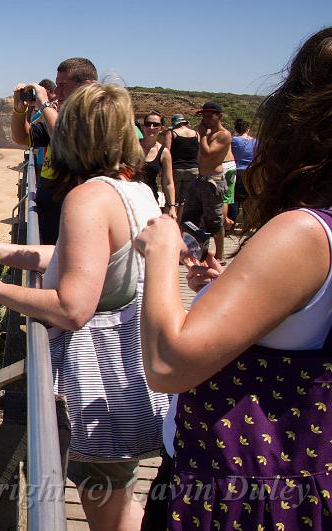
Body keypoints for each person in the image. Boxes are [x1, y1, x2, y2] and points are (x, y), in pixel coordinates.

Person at [135, 27, 332, 529]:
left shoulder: (303, 232)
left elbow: (167, 363)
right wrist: (229, 290)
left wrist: (161, 248)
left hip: (224, 484)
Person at [0, 83, 168, 531]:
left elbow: (73, 306)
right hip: (127, 374)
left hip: (98, 388)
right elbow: (83, 258)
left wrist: (0, 292)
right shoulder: (135, 191)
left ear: (73, 133)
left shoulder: (88, 198)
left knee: (108, 517)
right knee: (120, 502)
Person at [11, 58, 97, 244]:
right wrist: (19, 110)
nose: (57, 92)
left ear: (87, 86)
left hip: (73, 224)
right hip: (51, 217)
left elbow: (64, 138)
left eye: (64, 85)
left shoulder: (94, 121)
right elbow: (22, 137)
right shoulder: (58, 121)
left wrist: (44, 105)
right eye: (56, 84)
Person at [182, 102, 232, 261]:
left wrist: (202, 135)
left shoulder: (223, 135)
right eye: (204, 116)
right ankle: (193, 252)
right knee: (190, 217)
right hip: (200, 179)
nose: (206, 119)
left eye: (210, 116)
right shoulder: (208, 134)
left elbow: (208, 153)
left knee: (214, 220)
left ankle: (219, 254)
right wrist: (204, 135)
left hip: (213, 181)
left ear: (220, 116)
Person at [140, 110, 176, 217]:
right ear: (143, 126)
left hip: (150, 199)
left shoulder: (164, 153)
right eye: (148, 124)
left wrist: (171, 207)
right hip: (129, 197)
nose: (151, 127)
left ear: (161, 128)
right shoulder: (132, 146)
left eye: (155, 125)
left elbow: (168, 182)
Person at [164, 114, 199, 222]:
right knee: (185, 201)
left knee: (172, 201)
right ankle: (180, 227)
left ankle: (170, 226)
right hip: (193, 169)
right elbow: (199, 153)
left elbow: (167, 153)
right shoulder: (196, 134)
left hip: (176, 169)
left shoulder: (172, 133)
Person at [230, 118, 257, 222]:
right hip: (251, 171)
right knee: (249, 197)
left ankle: (232, 221)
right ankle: (247, 222)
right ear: (248, 129)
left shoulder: (234, 140)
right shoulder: (255, 142)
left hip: (235, 170)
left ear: (236, 129)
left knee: (234, 197)